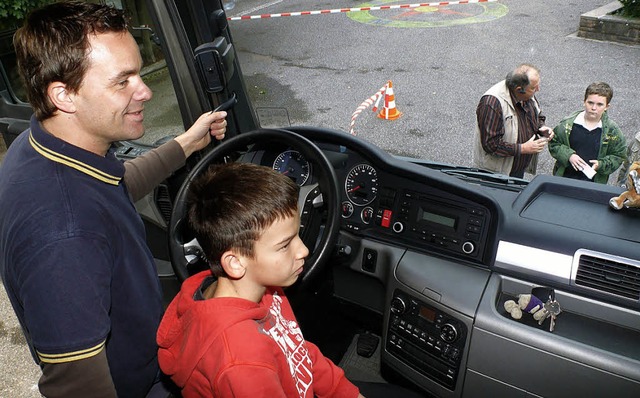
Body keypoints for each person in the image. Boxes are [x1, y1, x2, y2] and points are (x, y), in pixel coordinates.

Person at [0, 1, 227, 397]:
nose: (145, 91)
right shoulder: (64, 235)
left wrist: (189, 142)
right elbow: (78, 386)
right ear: (64, 96)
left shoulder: (47, 143)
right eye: (123, 81)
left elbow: (117, 183)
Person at [157, 163, 425, 398]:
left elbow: (295, 349)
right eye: (285, 245)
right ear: (235, 263)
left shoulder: (262, 287)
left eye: (298, 235)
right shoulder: (241, 360)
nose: (304, 251)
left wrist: (345, 392)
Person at [474, 63, 554, 178]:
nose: (538, 89)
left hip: (516, 168)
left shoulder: (527, 94)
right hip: (497, 173)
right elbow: (491, 145)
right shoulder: (491, 103)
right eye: (533, 88)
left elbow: (537, 113)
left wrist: (541, 127)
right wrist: (523, 148)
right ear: (519, 89)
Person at [549, 82, 626, 184]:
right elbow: (554, 143)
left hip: (594, 183)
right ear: (584, 101)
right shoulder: (567, 124)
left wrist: (601, 164)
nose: (594, 108)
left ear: (607, 106)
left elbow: (619, 155)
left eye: (599, 104)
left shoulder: (612, 131)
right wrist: (569, 156)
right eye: (590, 103)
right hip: (564, 179)